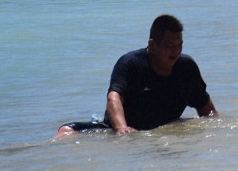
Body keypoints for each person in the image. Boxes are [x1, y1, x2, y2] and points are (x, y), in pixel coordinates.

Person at [56, 14, 218, 136]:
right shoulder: (131, 64)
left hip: (164, 128)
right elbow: (114, 97)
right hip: (121, 128)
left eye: (179, 45)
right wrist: (121, 128)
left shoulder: (186, 67)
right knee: (67, 130)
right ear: (152, 45)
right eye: (169, 46)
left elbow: (206, 108)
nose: (176, 51)